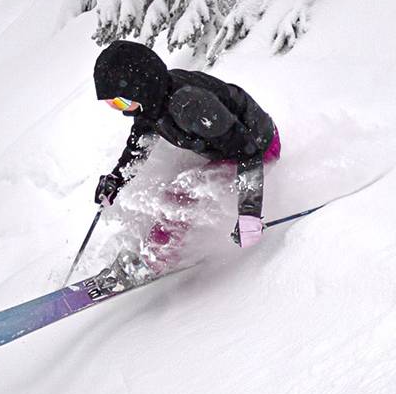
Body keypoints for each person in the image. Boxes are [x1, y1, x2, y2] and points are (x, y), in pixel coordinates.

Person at [92, 40, 281, 272]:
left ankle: (153, 261)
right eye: (113, 104)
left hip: (260, 149)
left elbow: (247, 151)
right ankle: (149, 246)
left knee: (183, 192)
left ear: (141, 88)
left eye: (122, 101)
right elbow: (138, 147)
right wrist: (116, 179)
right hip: (229, 148)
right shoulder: (152, 105)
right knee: (169, 186)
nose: (121, 109)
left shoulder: (189, 104)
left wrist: (250, 214)